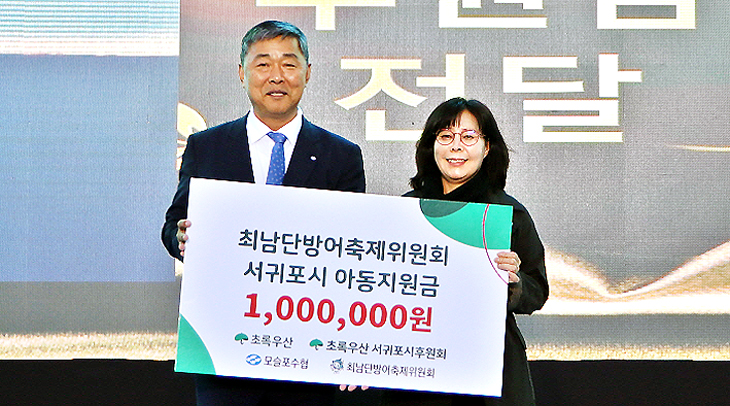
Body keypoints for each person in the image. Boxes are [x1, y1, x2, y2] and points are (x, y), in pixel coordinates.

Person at [161, 20, 368, 406]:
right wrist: (182, 237)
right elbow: (174, 223)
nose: (276, 76)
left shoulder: (341, 155)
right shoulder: (207, 147)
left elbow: (352, 251)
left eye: (289, 64)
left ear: (307, 73)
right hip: (224, 346)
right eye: (263, 64)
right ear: (242, 73)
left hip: (308, 351)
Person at [387, 97, 549, 406]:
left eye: (469, 136)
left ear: (487, 147)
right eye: (445, 136)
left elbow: (537, 291)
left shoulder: (508, 214)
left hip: (487, 367)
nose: (456, 146)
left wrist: (514, 283)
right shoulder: (406, 210)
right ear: (431, 146)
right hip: (417, 362)